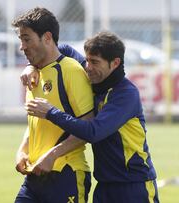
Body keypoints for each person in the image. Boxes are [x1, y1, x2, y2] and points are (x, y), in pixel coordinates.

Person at [24, 31, 160, 203]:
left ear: (115, 63)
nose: (87, 67)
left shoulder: (126, 94)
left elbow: (93, 132)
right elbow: (60, 49)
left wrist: (51, 112)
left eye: (94, 62)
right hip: (104, 186)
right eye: (87, 60)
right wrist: (31, 66)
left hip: (134, 186)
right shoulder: (95, 75)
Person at [12, 7, 95, 203]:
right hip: (34, 175)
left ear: (47, 37)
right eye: (21, 40)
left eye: (27, 39)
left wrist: (52, 155)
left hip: (67, 174)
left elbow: (88, 125)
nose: (22, 47)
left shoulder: (70, 70)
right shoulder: (33, 74)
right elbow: (34, 124)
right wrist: (22, 150)